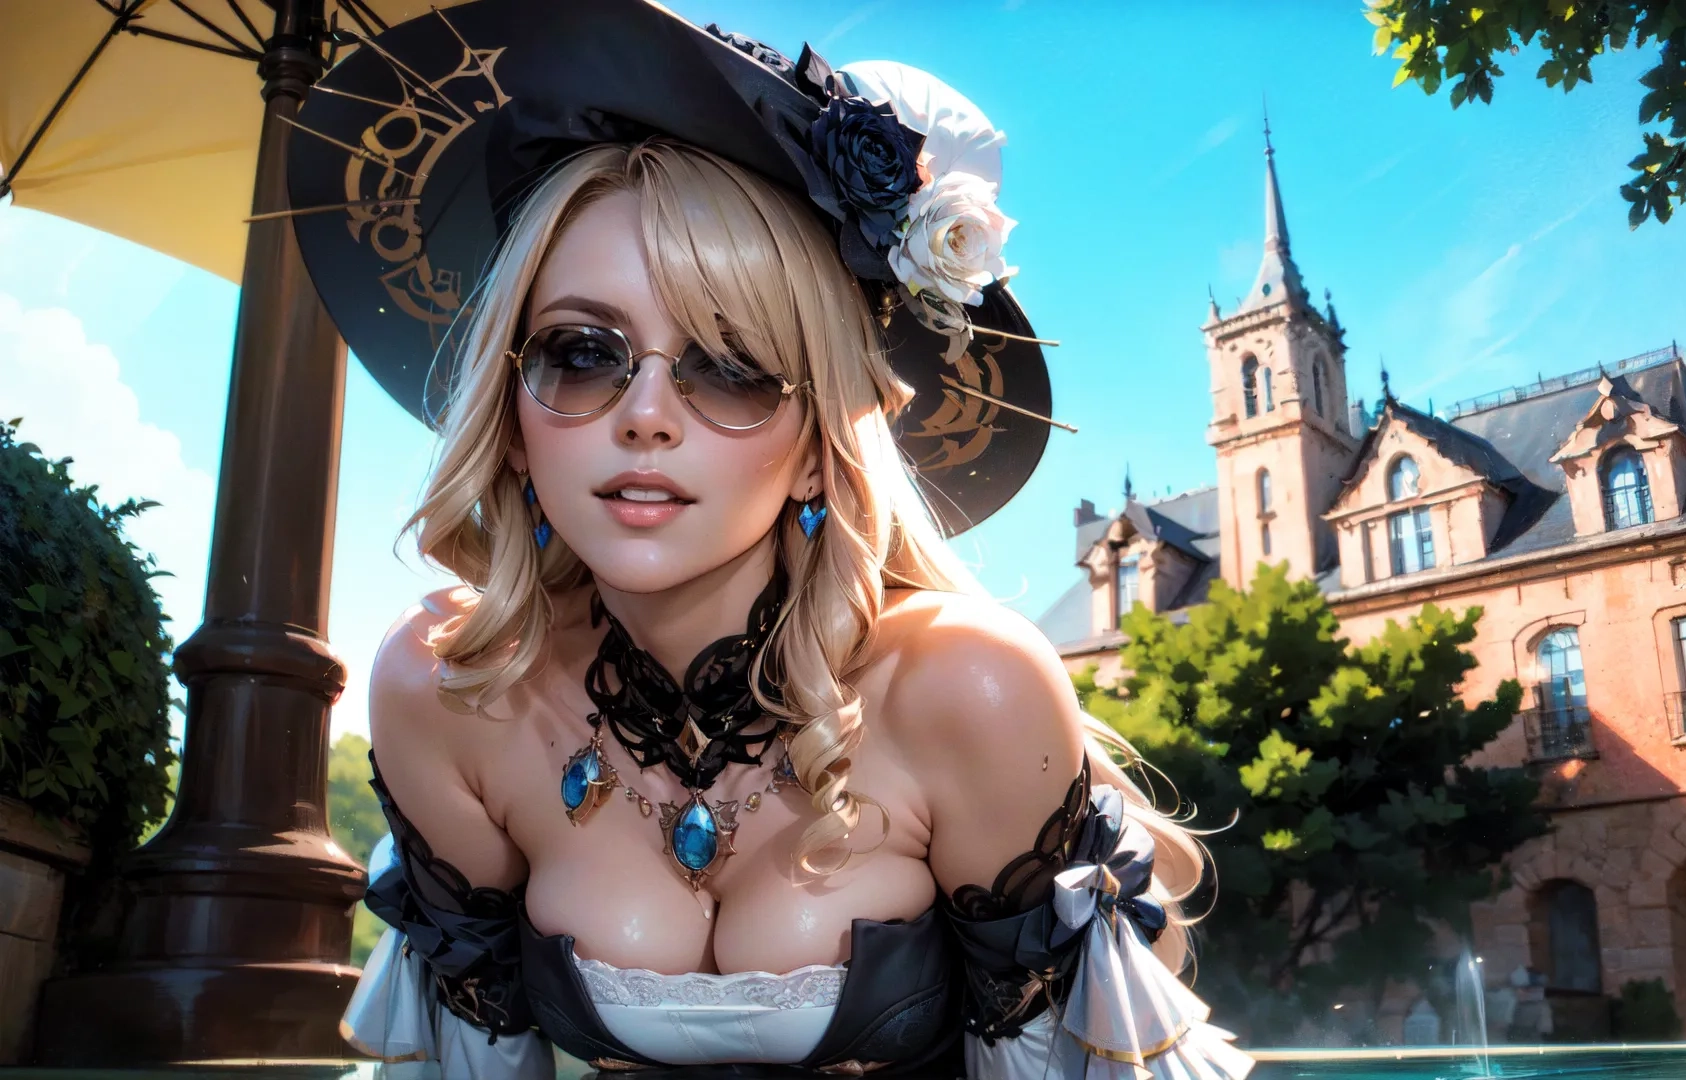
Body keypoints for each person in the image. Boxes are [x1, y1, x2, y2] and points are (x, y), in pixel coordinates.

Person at [292, 2, 1253, 1077]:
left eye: (731, 364)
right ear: (512, 422)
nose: (645, 413)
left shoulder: (963, 688)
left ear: (815, 447)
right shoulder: (446, 689)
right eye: (580, 352)